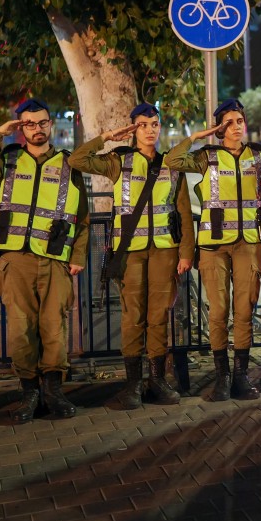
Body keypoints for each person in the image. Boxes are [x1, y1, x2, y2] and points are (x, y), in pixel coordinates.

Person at [68, 103, 194, 409]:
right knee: (133, 318)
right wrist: (110, 136)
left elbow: (184, 212)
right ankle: (133, 385)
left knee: (158, 317)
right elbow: (77, 159)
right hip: (130, 253)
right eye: (142, 124)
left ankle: (157, 381)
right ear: (133, 128)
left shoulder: (171, 164)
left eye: (154, 124)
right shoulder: (118, 161)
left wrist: (186, 252)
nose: (150, 130)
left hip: (165, 251)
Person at [0, 99, 89, 423]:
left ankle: (53, 391)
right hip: (16, 258)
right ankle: (29, 393)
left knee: (54, 328)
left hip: (55, 261)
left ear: (51, 124)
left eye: (42, 122)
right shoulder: (8, 160)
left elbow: (83, 217)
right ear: (20, 127)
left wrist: (78, 256)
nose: (37, 129)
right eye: (29, 124)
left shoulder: (70, 163)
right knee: (21, 330)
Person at [165, 99, 261, 401]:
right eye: (229, 123)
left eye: (240, 121)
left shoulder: (258, 155)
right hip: (213, 245)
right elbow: (172, 161)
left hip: (249, 243)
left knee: (245, 310)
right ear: (219, 128)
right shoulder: (206, 156)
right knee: (219, 311)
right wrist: (199, 136)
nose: (236, 127)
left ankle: (240, 378)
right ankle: (222, 377)